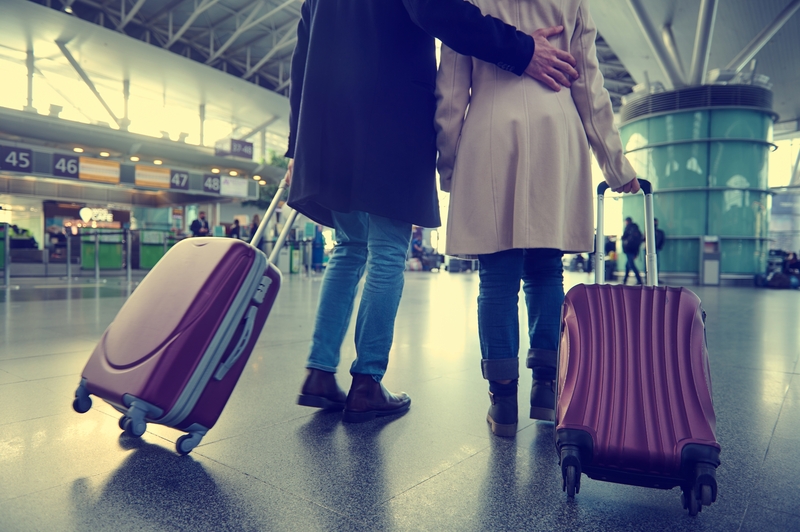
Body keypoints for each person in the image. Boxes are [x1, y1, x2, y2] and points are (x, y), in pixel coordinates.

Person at [285, 0, 580, 424]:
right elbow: (440, 11)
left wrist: (297, 142)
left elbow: (302, 54)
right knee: (387, 249)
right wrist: (522, 49)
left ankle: (319, 371)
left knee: (348, 247)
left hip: (326, 123)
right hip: (387, 116)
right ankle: (367, 382)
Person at [435, 0, 640, 436]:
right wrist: (615, 166)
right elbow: (588, 83)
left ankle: (503, 402)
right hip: (556, 128)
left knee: (496, 278)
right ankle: (547, 389)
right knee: (547, 271)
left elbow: (451, 90)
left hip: (489, 130)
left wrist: (452, 165)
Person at [621, 217, 643, 285]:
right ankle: (625, 280)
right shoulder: (635, 229)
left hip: (629, 250)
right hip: (632, 250)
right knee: (627, 265)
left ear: (627, 221)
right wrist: (636, 252)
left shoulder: (629, 229)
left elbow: (626, 239)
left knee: (631, 265)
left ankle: (639, 280)